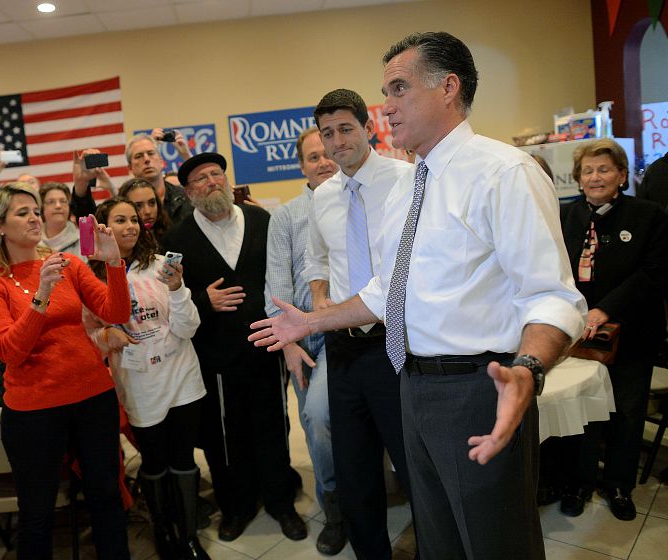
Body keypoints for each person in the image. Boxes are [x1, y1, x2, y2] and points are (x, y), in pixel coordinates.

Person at [250, 32, 586, 559]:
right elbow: (389, 289)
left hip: (479, 387)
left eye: (399, 89)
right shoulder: (411, 183)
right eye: (386, 92)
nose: (386, 106)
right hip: (412, 384)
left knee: (493, 543)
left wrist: (528, 367)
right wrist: (312, 322)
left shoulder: (504, 172)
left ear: (448, 88)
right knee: (439, 541)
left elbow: (551, 295)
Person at [0, 184, 131, 559]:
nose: (34, 218)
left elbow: (117, 312)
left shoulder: (69, 263)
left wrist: (114, 263)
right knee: (37, 511)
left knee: (106, 495)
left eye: (35, 211)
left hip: (93, 397)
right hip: (34, 411)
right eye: (22, 213)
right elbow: (10, 351)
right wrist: (41, 294)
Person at [162, 153, 307, 542]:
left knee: (273, 428)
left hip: (266, 348)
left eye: (216, 174)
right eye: (201, 179)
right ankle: (236, 507)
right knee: (225, 438)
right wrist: (203, 300)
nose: (211, 181)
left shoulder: (261, 220)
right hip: (215, 358)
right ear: (188, 192)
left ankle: (281, 503)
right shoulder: (176, 240)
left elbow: (283, 275)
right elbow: (169, 299)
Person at [303, 88, 413, 560]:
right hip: (343, 347)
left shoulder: (405, 180)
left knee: (411, 461)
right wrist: (320, 299)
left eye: (346, 129)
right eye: (328, 133)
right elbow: (317, 259)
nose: (337, 141)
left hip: (395, 341)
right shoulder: (323, 196)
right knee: (355, 468)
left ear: (369, 128)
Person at [85, 197, 209, 560]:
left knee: (183, 458)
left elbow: (189, 327)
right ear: (103, 228)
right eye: (119, 220)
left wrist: (178, 289)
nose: (130, 227)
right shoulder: (91, 279)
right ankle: (164, 532)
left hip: (182, 377)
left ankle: (188, 537)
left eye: (134, 220)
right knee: (154, 461)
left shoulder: (160, 266)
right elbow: (86, 334)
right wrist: (105, 336)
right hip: (140, 383)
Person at [557, 139, 668, 520]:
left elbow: (654, 273)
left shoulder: (648, 215)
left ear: (621, 175)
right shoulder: (566, 216)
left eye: (604, 169)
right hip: (579, 334)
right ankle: (578, 483)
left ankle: (619, 485)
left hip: (632, 332)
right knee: (583, 409)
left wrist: (605, 310)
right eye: (587, 171)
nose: (595, 177)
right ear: (578, 179)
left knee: (626, 411)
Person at [264, 127, 345, 554]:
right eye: (313, 157)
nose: (323, 161)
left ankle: (355, 497)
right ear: (301, 166)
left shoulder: (355, 200)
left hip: (346, 333)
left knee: (322, 414)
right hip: (302, 341)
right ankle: (335, 508)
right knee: (316, 425)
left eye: (327, 152)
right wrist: (289, 344)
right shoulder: (286, 217)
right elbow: (276, 283)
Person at [125, 134, 193, 224]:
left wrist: (186, 155)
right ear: (130, 168)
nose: (147, 159)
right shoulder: (125, 204)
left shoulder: (186, 197)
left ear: (161, 162)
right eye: (139, 156)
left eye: (151, 153)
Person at [38, 182, 85, 260]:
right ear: (42, 208)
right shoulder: (31, 242)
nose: (58, 206)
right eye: (51, 201)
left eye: (63, 201)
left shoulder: (83, 240)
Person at [119, 178, 172, 243]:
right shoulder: (121, 244)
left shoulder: (172, 235)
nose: (148, 211)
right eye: (138, 206)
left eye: (152, 203)